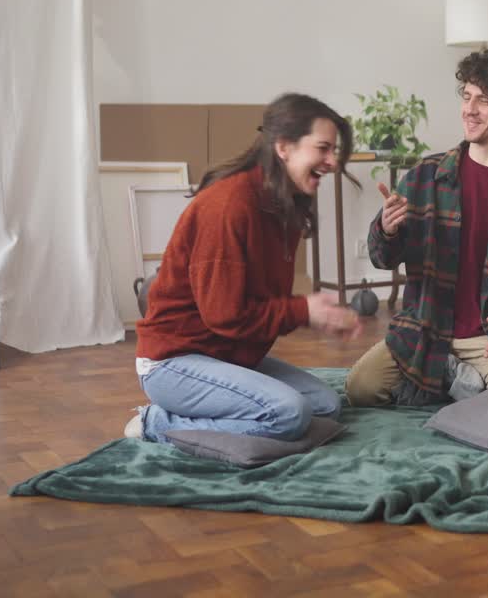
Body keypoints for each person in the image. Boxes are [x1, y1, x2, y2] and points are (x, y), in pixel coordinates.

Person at [126, 93, 363, 443]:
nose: (331, 162)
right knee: (289, 414)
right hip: (173, 363)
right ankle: (156, 422)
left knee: (325, 406)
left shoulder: (282, 204)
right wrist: (304, 310)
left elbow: (258, 301)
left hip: (225, 357)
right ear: (284, 147)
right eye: (323, 148)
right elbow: (225, 316)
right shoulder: (228, 206)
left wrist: (312, 312)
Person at [345, 49, 488, 406]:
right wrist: (386, 228)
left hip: (487, 336)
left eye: (484, 100)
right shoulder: (425, 176)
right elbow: (382, 258)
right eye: (467, 97)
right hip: (425, 327)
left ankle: (439, 380)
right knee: (360, 388)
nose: (469, 109)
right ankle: (456, 380)